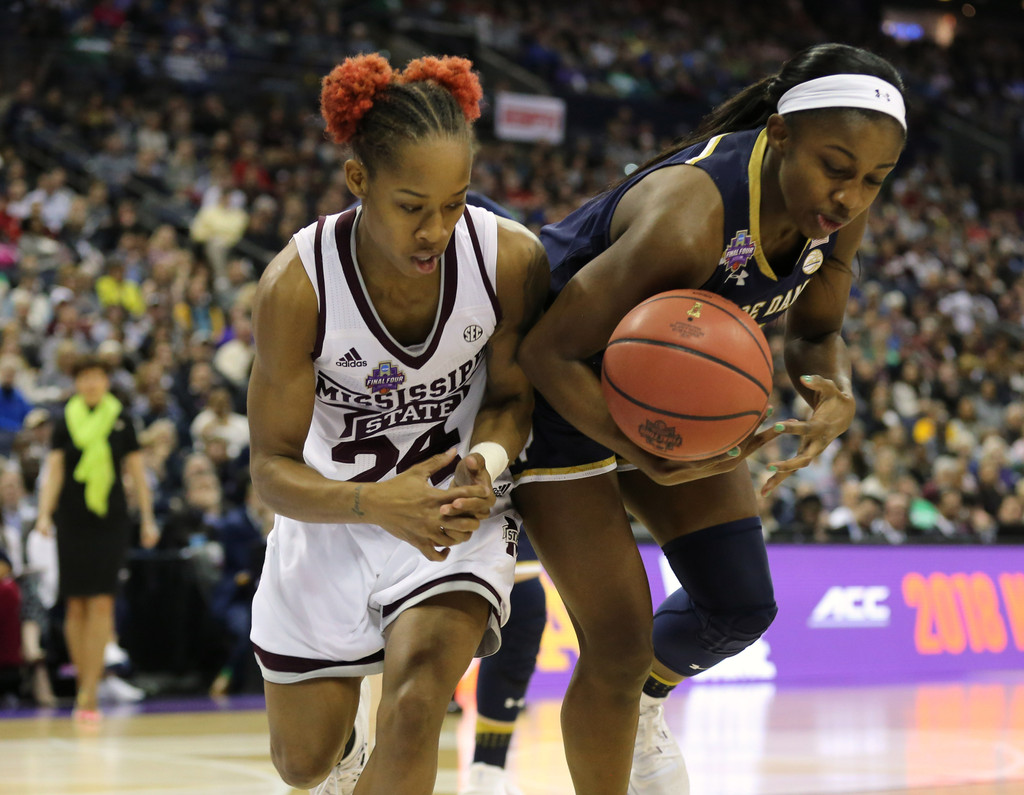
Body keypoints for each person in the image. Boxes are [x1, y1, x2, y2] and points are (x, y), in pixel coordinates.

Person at [512, 43, 908, 794]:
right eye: (838, 167)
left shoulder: (834, 213)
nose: (852, 195)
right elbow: (546, 352)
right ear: (783, 133)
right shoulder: (690, 218)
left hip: (659, 393)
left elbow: (817, 335)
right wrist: (645, 452)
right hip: (553, 393)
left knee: (738, 605)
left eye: (874, 181)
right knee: (619, 644)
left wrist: (836, 389)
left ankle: (640, 707)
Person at [246, 52, 548, 795]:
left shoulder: (507, 258)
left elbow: (513, 399)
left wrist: (488, 461)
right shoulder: (297, 285)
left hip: (450, 517)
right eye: (412, 206)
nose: (436, 228)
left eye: (455, 202)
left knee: (416, 704)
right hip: (332, 518)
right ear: (359, 181)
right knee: (302, 762)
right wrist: (376, 503)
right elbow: (270, 470)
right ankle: (343, 757)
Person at [33, 353, 160, 720]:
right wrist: (44, 514)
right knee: (76, 603)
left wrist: (148, 519)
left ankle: (91, 687)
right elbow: (54, 471)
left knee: (103, 602)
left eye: (97, 377)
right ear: (76, 383)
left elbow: (136, 473)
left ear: (106, 381)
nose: (90, 384)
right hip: (71, 519)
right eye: (84, 377)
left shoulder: (121, 419)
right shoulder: (63, 420)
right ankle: (82, 687)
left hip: (110, 519)